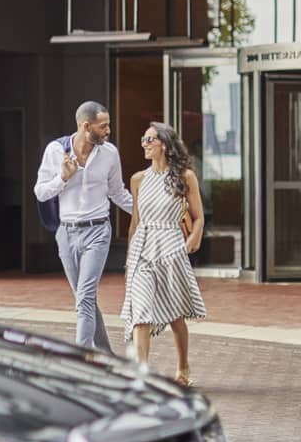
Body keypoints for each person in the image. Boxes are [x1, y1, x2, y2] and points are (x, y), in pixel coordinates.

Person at [34, 101, 134, 354]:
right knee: (83, 299)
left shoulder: (110, 153)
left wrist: (151, 211)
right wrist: (63, 178)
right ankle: (106, 355)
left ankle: (82, 356)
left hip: (98, 231)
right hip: (66, 234)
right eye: (104, 126)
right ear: (85, 126)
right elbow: (41, 192)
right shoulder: (55, 151)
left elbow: (118, 193)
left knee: (86, 296)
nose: (109, 130)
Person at [121, 121, 208, 387]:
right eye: (143, 140)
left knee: (175, 314)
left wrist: (191, 240)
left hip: (171, 246)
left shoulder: (185, 177)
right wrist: (128, 258)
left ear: (164, 144)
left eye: (150, 140)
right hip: (143, 249)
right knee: (141, 311)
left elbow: (198, 217)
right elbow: (135, 221)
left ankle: (183, 367)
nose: (144, 145)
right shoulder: (138, 179)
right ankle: (142, 373)